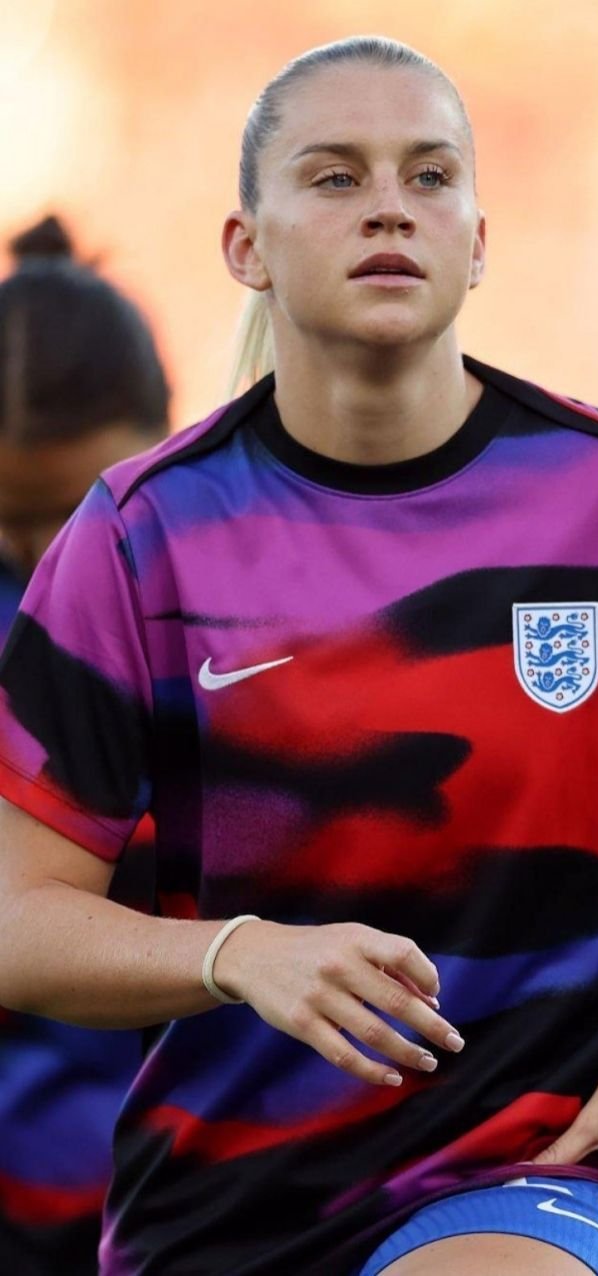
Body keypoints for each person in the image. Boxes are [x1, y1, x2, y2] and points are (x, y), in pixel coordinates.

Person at [0, 36, 598, 1276]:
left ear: (479, 239)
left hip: (536, 1166)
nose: (390, 204)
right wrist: (238, 954)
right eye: (335, 176)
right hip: (219, 1212)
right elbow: (17, 917)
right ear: (246, 247)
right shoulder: (138, 537)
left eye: (429, 175)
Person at [0, 213, 169, 1274]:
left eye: (74, 511)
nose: (41, 555)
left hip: (222, 1166)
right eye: (8, 521)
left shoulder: (237, 607)